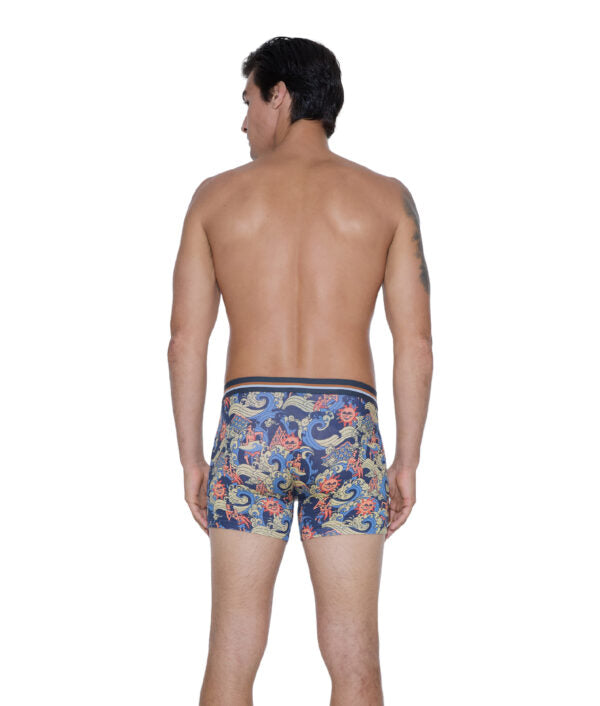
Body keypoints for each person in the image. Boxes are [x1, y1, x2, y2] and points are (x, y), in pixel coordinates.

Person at [167, 36, 433, 706]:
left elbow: (185, 341)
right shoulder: (387, 199)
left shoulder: (215, 198)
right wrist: (406, 461)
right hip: (347, 430)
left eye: (248, 102)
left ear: (279, 95)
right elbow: (416, 343)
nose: (244, 122)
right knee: (354, 655)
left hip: (248, 427)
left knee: (231, 650)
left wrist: (192, 459)